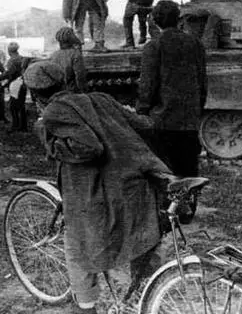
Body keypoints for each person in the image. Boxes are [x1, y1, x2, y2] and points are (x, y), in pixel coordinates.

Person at [25, 60, 169, 313]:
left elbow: (90, 147)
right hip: (134, 186)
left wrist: (49, 140)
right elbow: (144, 125)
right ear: (64, 81)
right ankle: (147, 295)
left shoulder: (53, 112)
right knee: (142, 239)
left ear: (35, 94)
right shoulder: (101, 98)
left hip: (100, 197)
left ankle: (86, 306)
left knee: (78, 249)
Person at [136, 0, 207, 183]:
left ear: (155, 21)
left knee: (165, 174)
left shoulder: (154, 46)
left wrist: (142, 112)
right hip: (189, 120)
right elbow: (202, 82)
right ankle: (188, 201)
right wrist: (197, 109)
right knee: (189, 173)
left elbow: (148, 85)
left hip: (162, 121)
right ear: (178, 19)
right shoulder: (195, 43)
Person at [0, 42, 29, 132]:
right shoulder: (22, 58)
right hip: (23, 84)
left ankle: (15, 126)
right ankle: (24, 126)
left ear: (9, 51)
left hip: (15, 85)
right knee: (22, 106)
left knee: (13, 107)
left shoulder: (12, 61)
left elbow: (9, 74)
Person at [49, 27, 87, 93]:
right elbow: (80, 76)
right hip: (71, 92)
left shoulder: (54, 55)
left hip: (57, 91)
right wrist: (83, 91)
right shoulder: (75, 54)